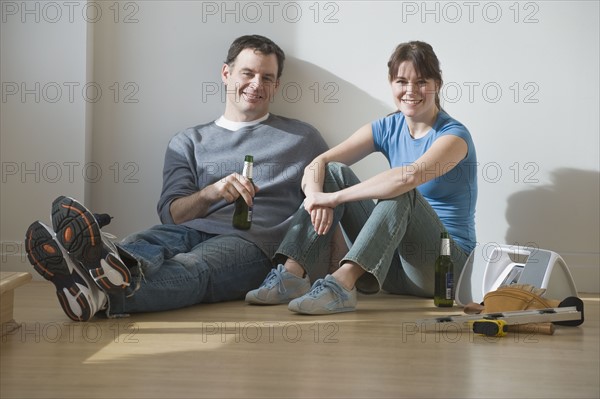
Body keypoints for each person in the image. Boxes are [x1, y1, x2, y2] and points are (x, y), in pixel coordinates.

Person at [24, 34, 329, 321]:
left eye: (267, 78)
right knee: (141, 243)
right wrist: (212, 193)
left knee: (193, 267)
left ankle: (94, 288)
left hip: (252, 243)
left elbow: (329, 203)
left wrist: (331, 271)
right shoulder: (188, 141)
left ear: (276, 86)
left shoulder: (302, 138)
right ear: (226, 74)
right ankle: (100, 269)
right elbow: (172, 214)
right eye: (247, 73)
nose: (256, 84)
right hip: (187, 230)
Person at [246, 40, 478, 314]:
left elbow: (407, 178)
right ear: (391, 84)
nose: (411, 90)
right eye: (402, 81)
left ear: (437, 84)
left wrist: (334, 198)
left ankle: (341, 285)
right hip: (389, 267)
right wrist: (315, 198)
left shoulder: (454, 136)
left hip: (444, 269)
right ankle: (292, 276)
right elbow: (318, 164)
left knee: (402, 189)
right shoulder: (388, 126)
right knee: (332, 172)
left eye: (422, 81)